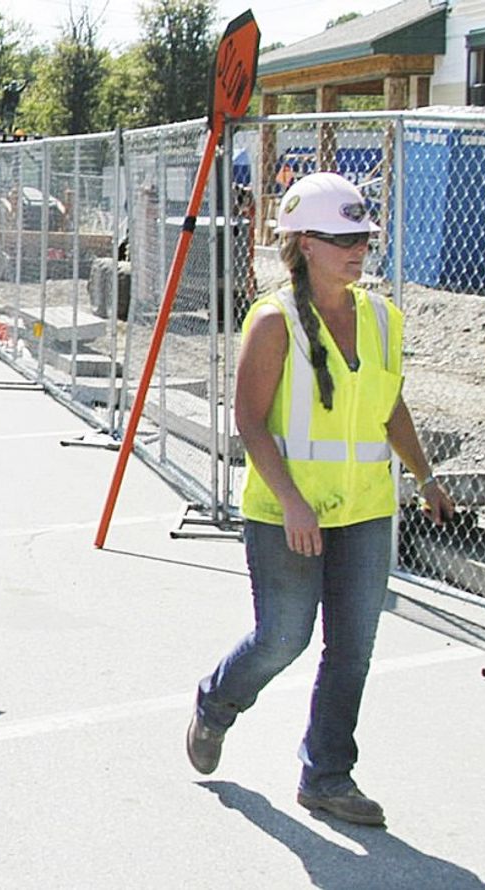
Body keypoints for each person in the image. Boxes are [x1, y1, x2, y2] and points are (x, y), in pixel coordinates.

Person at [185, 172, 454, 827]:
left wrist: (425, 476)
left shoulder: (383, 318)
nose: (358, 250)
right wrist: (293, 502)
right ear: (305, 243)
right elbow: (250, 420)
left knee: (351, 650)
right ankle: (217, 703)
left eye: (363, 238)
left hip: (365, 510)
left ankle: (327, 776)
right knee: (282, 638)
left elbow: (389, 407)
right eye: (343, 239)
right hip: (288, 513)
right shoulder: (274, 321)